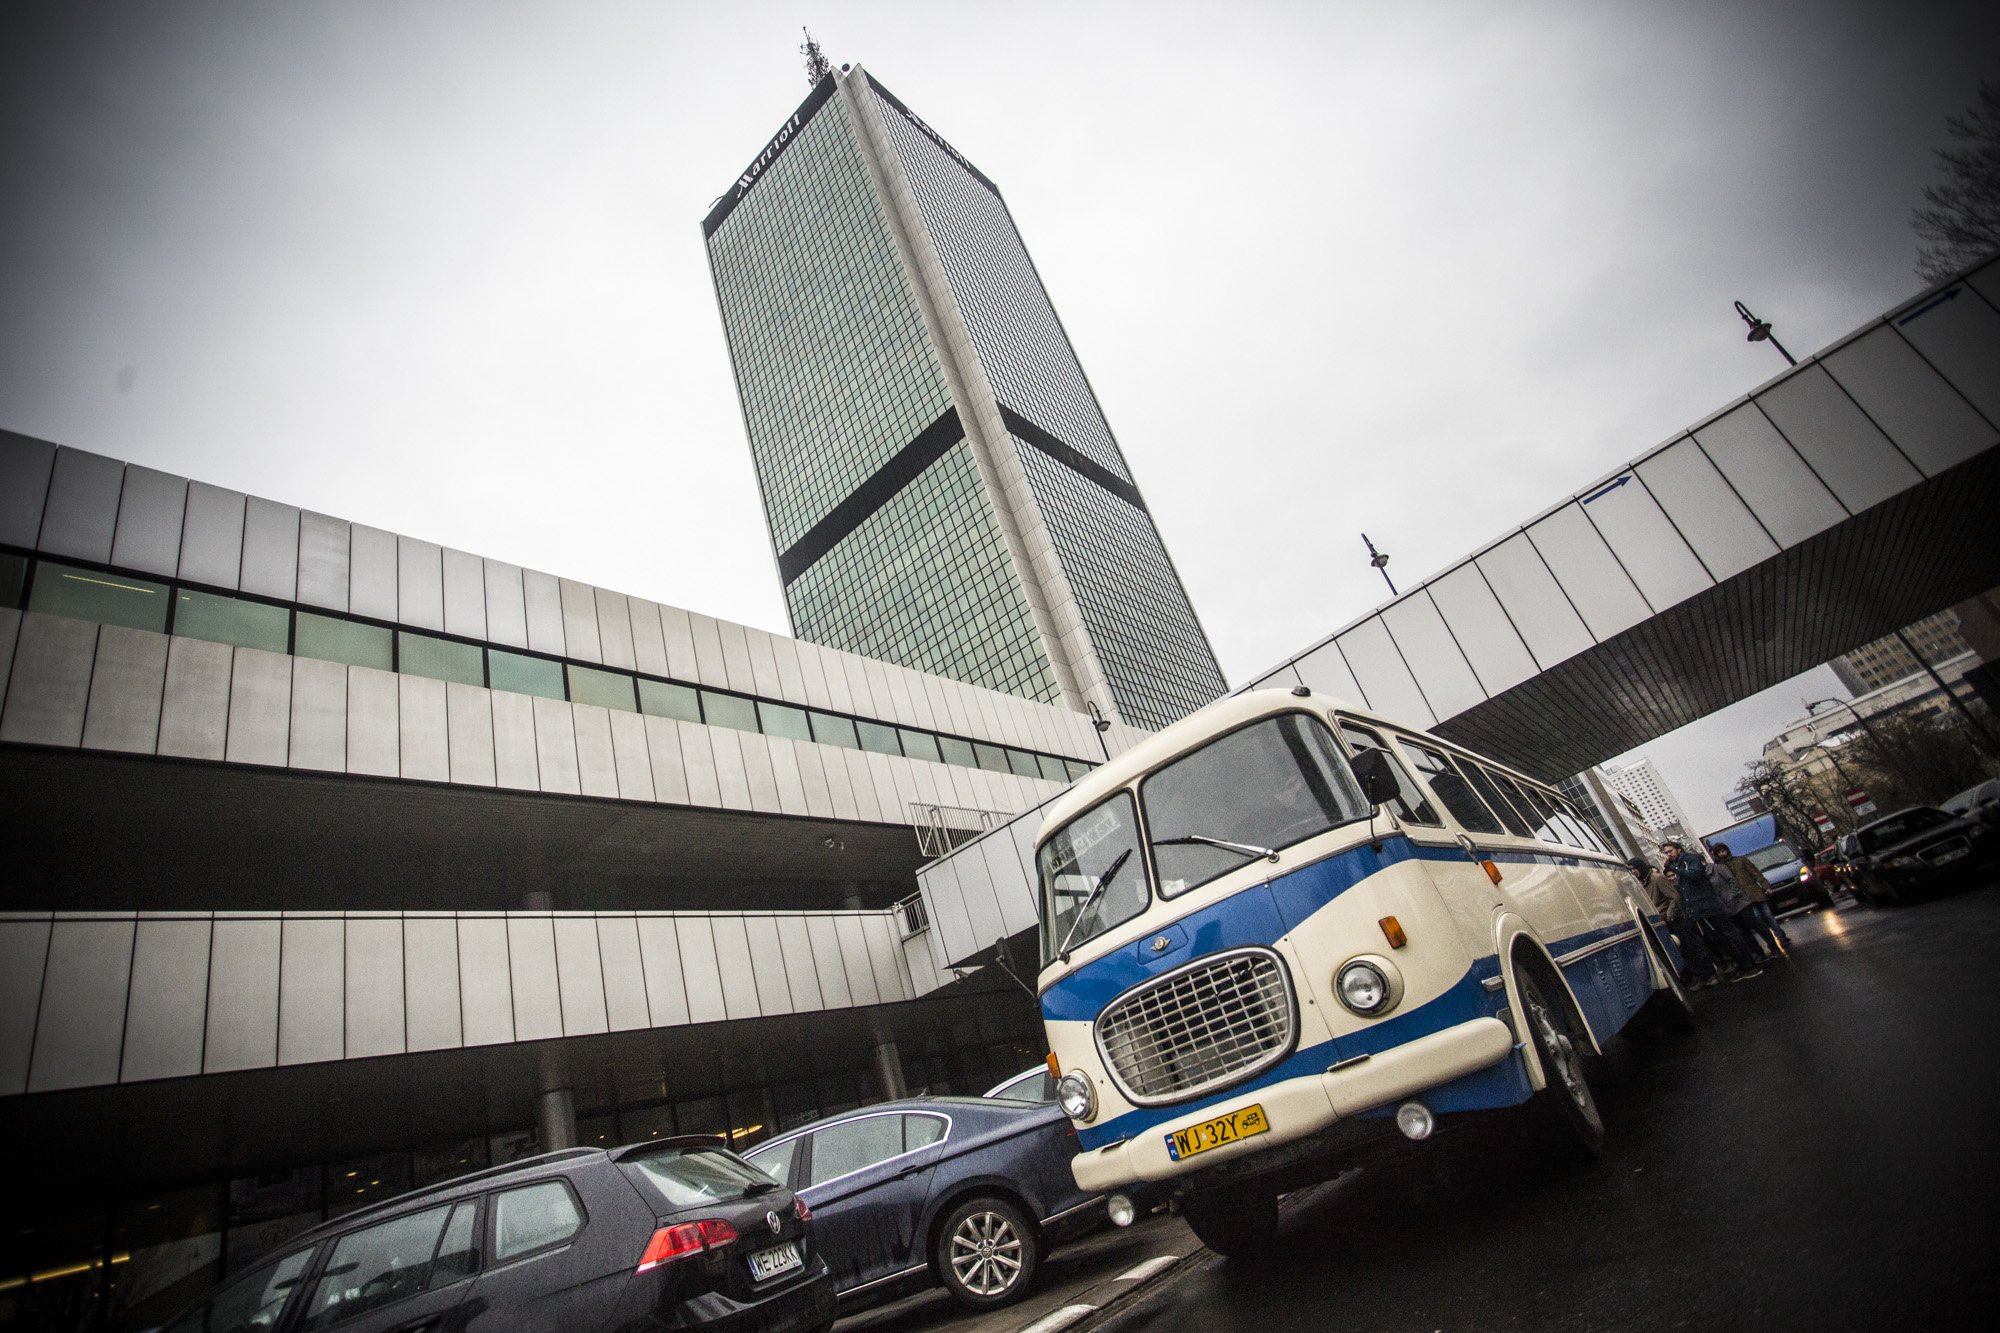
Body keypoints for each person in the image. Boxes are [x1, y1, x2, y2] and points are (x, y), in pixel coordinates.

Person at [1662, 841, 1762, 982]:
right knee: (1721, 937)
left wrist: (1676, 869)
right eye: (1666, 852)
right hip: (1699, 907)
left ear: (1678, 849)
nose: (1668, 854)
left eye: (1670, 851)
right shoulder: (1679, 864)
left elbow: (1695, 874)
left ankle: (1749, 964)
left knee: (1730, 933)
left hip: (1709, 904)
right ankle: (1740, 964)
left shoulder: (1690, 859)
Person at [1711, 842, 1790, 957]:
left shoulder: (1739, 860)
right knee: (1759, 919)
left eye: (1723, 851)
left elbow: (1755, 873)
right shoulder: (1720, 867)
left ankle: (1781, 937)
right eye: (1719, 852)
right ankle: (1775, 940)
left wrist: (1766, 886)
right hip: (1743, 898)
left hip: (1754, 892)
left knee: (1767, 916)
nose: (1722, 854)